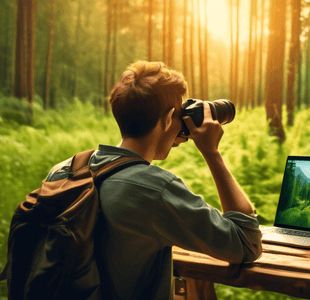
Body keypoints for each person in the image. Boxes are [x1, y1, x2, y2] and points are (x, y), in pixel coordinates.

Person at [91, 60, 263, 300]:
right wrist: (212, 153)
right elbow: (247, 244)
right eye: (181, 114)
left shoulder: (69, 169)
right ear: (169, 118)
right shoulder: (154, 190)